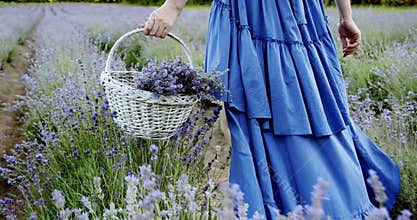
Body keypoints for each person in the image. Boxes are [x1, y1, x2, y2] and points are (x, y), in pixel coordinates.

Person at [138, 0, 401, 219]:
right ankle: (334, 203)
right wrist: (346, 15)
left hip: (255, 14)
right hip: (296, 15)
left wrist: (173, 5)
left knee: (264, 110)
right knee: (308, 106)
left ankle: (279, 205)